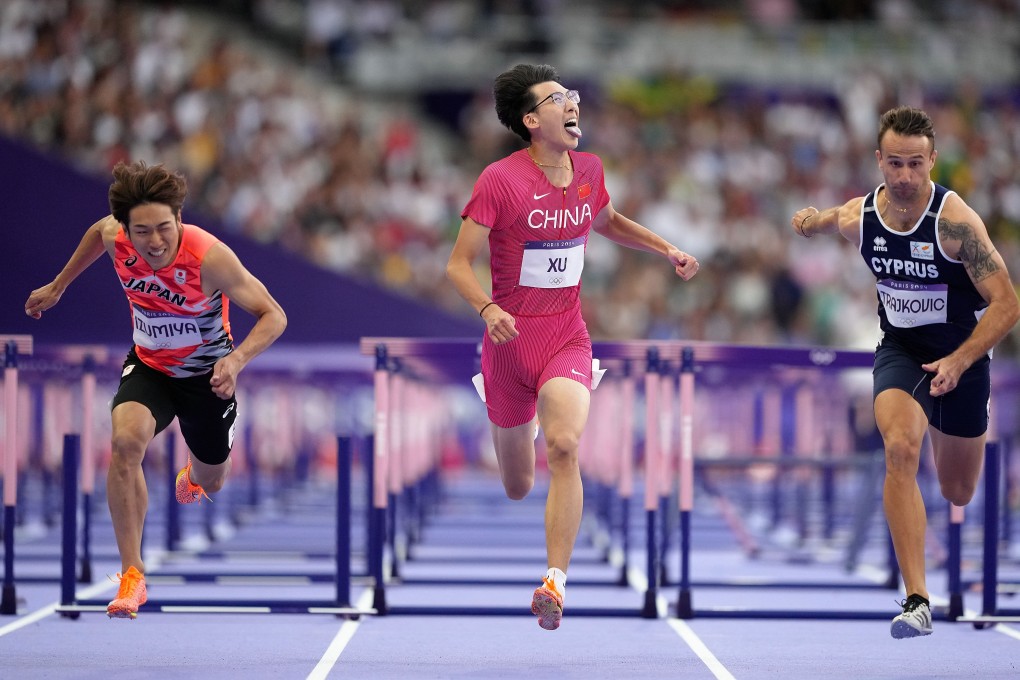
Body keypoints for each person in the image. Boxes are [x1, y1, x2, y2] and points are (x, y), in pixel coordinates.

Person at [446, 64, 699, 630]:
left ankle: (554, 582)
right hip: (509, 347)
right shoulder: (499, 180)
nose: (570, 104)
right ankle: (517, 417)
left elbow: (606, 220)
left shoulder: (589, 169)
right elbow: (457, 264)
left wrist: (667, 249)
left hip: (566, 336)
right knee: (518, 485)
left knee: (564, 447)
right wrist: (489, 310)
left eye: (570, 95)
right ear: (532, 120)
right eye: (556, 98)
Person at [792, 105, 1020, 638]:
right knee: (898, 448)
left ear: (933, 161)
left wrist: (961, 361)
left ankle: (959, 411)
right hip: (899, 351)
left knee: (958, 490)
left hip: (961, 354)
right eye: (894, 164)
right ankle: (918, 599)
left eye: (916, 164)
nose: (904, 177)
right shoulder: (863, 217)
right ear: (879, 161)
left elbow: (1008, 304)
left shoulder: (956, 223)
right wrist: (808, 221)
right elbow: (831, 217)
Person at [24, 161, 288, 619]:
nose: (156, 241)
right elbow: (96, 232)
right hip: (149, 367)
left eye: (165, 228)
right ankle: (132, 573)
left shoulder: (211, 257)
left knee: (213, 480)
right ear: (127, 228)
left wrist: (236, 359)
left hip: (208, 378)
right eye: (142, 231)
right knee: (125, 442)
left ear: (180, 219)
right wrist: (59, 285)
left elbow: (274, 315)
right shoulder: (116, 236)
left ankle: (194, 477)